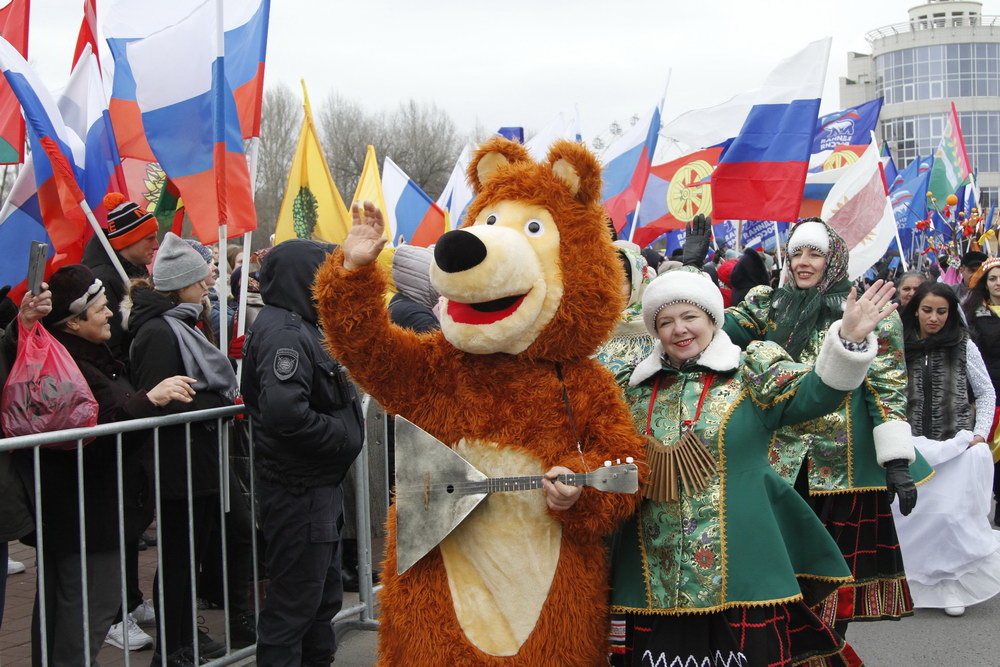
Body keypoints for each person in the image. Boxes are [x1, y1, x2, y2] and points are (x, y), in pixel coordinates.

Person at [609, 268, 897, 666]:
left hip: (743, 559)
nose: (679, 330)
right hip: (652, 565)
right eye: (665, 322)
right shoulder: (632, 388)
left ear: (712, 318)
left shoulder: (752, 370)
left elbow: (816, 395)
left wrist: (846, 341)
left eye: (689, 316)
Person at [685, 217, 933, 636]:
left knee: (833, 582)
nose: (802, 261)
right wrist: (693, 273)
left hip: (842, 471)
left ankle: (827, 649)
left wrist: (895, 459)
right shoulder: (767, 303)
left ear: (833, 259)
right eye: (796, 252)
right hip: (775, 463)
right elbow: (702, 326)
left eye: (814, 253)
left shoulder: (865, 312)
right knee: (777, 577)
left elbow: (887, 387)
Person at [12, 266, 195, 664]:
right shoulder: (66, 369)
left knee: (79, 612)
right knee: (85, 612)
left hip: (96, 513)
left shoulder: (93, 357)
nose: (110, 312)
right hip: (84, 516)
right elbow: (92, 438)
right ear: (74, 322)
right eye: (98, 308)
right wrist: (152, 400)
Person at [241, 239, 364, 665]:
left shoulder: (299, 325)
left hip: (314, 488)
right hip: (299, 491)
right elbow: (283, 413)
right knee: (293, 608)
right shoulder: (286, 334)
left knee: (319, 602)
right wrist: (340, 435)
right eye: (326, 274)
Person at [128, 233, 240, 664]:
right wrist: (221, 399)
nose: (209, 279)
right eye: (200, 276)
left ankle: (184, 637)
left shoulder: (188, 321)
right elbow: (166, 395)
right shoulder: (159, 331)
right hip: (179, 464)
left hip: (200, 458)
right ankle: (173, 647)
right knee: (177, 558)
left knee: (189, 556)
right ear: (182, 283)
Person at [891, 281, 1000, 618]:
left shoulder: (963, 345)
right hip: (911, 447)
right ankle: (912, 583)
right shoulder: (897, 346)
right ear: (915, 310)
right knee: (913, 517)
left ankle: (951, 582)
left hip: (954, 446)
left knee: (952, 517)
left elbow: (985, 392)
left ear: (952, 313)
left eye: (942, 311)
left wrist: (980, 434)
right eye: (927, 311)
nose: (934, 318)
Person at [81, 193, 160, 365]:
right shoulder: (103, 279)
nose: (156, 245)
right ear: (128, 241)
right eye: (149, 238)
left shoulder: (134, 269)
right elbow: (110, 346)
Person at [962, 256, 1000, 515]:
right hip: (992, 390)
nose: (998, 283)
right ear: (985, 284)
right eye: (993, 278)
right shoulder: (973, 314)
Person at [596, 241, 654, 375]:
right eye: (603, 282)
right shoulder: (584, 328)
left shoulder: (656, 326)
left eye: (619, 282)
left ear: (637, 282)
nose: (609, 290)